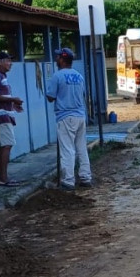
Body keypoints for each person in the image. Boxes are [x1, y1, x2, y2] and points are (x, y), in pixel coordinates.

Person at [45, 47, 92, 191]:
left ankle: (68, 181)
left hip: (65, 117)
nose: (56, 59)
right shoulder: (79, 76)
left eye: (58, 57)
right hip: (80, 116)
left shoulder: (57, 76)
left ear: (62, 59)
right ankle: (85, 177)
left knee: (67, 149)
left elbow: (51, 97)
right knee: (81, 148)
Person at [0, 51, 23, 187]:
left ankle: (1, 177)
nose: (10, 63)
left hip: (1, 113)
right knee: (7, 145)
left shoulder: (0, 76)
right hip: (1, 115)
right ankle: (3, 178)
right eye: (8, 60)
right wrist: (13, 99)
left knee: (2, 145)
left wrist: (12, 104)